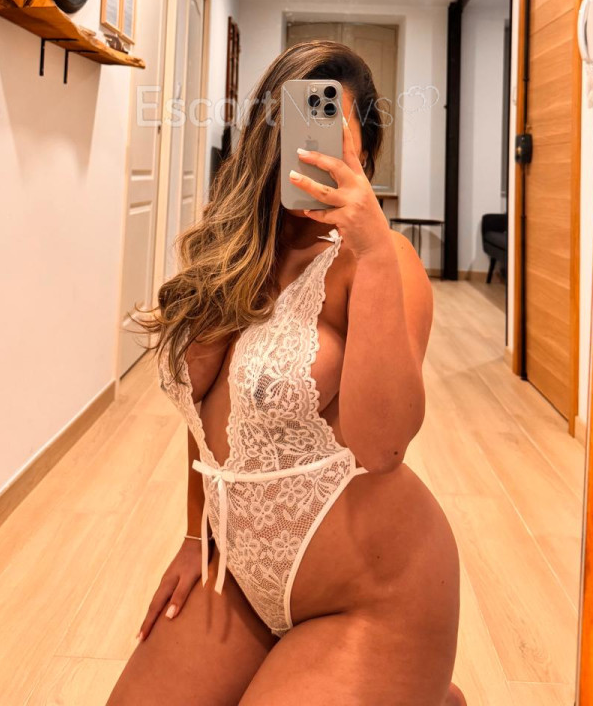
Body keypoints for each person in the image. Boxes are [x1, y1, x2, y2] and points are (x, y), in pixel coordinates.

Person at [107, 41, 465, 705]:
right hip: (240, 575)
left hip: (373, 596)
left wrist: (373, 249)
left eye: (333, 139)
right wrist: (194, 536)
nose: (312, 155)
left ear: (365, 155)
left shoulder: (380, 262)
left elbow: (382, 447)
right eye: (296, 130)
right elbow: (205, 422)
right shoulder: (231, 258)